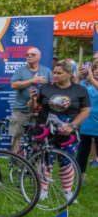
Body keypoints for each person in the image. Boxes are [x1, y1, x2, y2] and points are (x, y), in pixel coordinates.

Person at [28, 60, 90, 202]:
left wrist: (72, 126)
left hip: (69, 134)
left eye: (59, 73)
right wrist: (32, 100)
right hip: (46, 132)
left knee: (66, 162)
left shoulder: (80, 90)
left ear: (69, 74)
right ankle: (43, 189)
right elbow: (32, 107)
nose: (55, 75)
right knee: (45, 161)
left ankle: (67, 192)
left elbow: (85, 111)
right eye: (54, 72)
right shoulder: (45, 88)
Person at [10, 47, 52, 154]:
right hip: (21, 110)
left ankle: (35, 163)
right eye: (27, 54)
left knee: (38, 137)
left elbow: (53, 87)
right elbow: (13, 85)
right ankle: (15, 160)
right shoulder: (20, 71)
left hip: (40, 111)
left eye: (33, 54)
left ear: (39, 56)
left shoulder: (46, 71)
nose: (29, 56)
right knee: (16, 135)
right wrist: (33, 80)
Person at [76, 63, 98, 186]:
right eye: (95, 69)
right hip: (85, 123)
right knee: (82, 152)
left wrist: (92, 79)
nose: (97, 71)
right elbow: (74, 93)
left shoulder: (94, 83)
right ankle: (81, 177)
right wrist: (79, 79)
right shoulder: (85, 85)